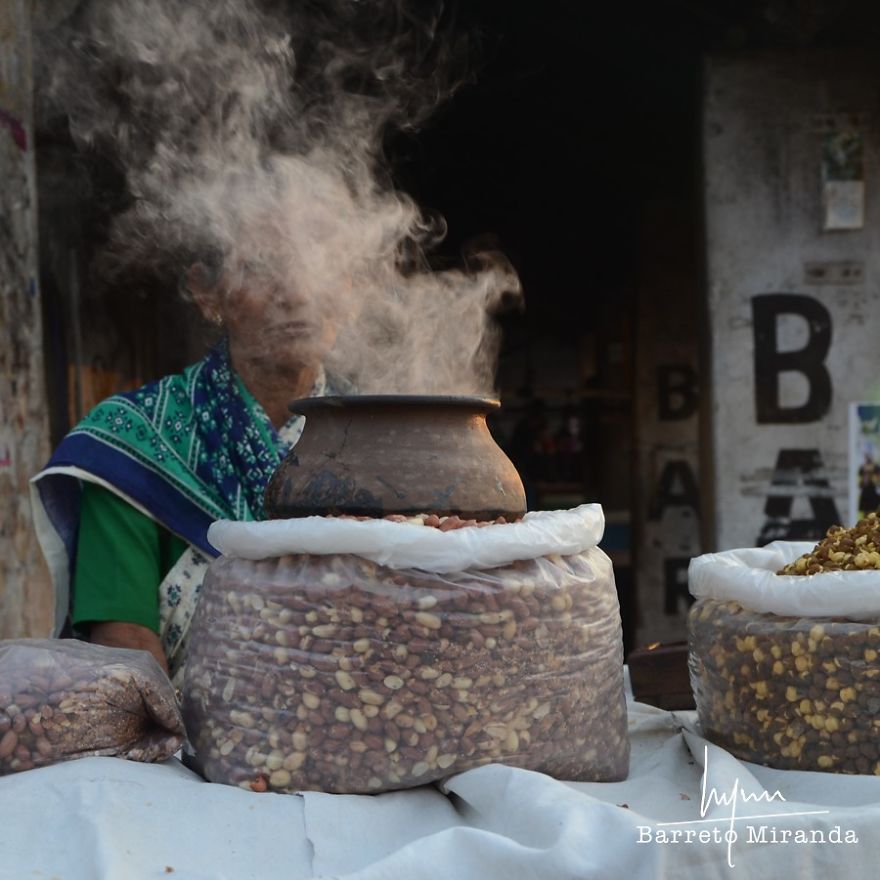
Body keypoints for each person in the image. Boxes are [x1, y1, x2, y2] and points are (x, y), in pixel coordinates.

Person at [31, 259, 340, 685]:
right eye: (264, 266)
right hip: (187, 745)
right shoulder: (134, 443)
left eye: (317, 255)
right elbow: (128, 647)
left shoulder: (377, 441)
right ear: (206, 291)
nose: (299, 293)